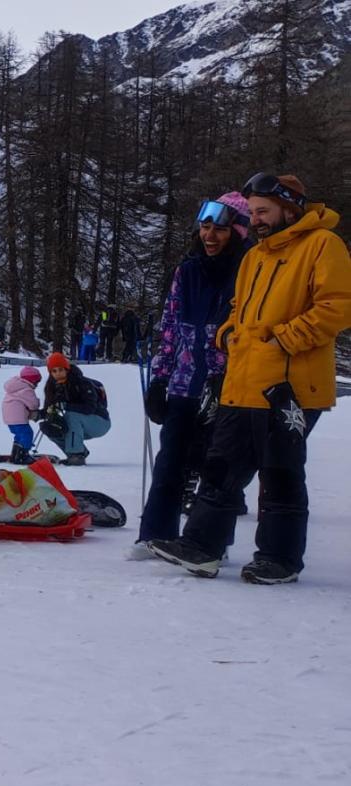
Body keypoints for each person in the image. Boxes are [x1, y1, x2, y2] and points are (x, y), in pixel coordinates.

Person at [149, 173, 351, 584]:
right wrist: (228, 334)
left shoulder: (322, 245)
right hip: (242, 382)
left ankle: (279, 559)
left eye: (263, 211)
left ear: (288, 208)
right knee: (221, 468)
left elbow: (337, 306)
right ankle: (201, 546)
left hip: (289, 387)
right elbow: (239, 306)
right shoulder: (256, 255)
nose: (256, 219)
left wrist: (284, 338)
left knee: (281, 473)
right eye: (253, 212)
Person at [136, 193, 251, 554]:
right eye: (205, 228)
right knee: (170, 461)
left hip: (227, 387)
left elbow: (248, 330)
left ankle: (207, 541)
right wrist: (160, 378)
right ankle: (155, 533)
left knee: (216, 467)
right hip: (185, 384)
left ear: (238, 232)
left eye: (220, 230)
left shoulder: (249, 270)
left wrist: (227, 372)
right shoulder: (187, 270)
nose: (210, 237)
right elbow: (171, 326)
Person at [39, 352, 110, 465]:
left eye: (61, 370)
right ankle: (77, 452)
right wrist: (39, 414)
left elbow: (90, 408)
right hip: (78, 427)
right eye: (54, 371)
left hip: (99, 422)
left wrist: (66, 406)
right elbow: (51, 409)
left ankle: (76, 455)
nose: (58, 374)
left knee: (71, 415)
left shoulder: (82, 383)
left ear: (67, 369)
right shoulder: (51, 387)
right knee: (50, 425)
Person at [1, 365, 43, 463]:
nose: (37, 384)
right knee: (27, 434)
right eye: (37, 381)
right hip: (18, 418)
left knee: (19, 435)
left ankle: (16, 453)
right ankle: (23, 455)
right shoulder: (27, 390)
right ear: (32, 380)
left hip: (9, 418)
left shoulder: (15, 387)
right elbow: (33, 404)